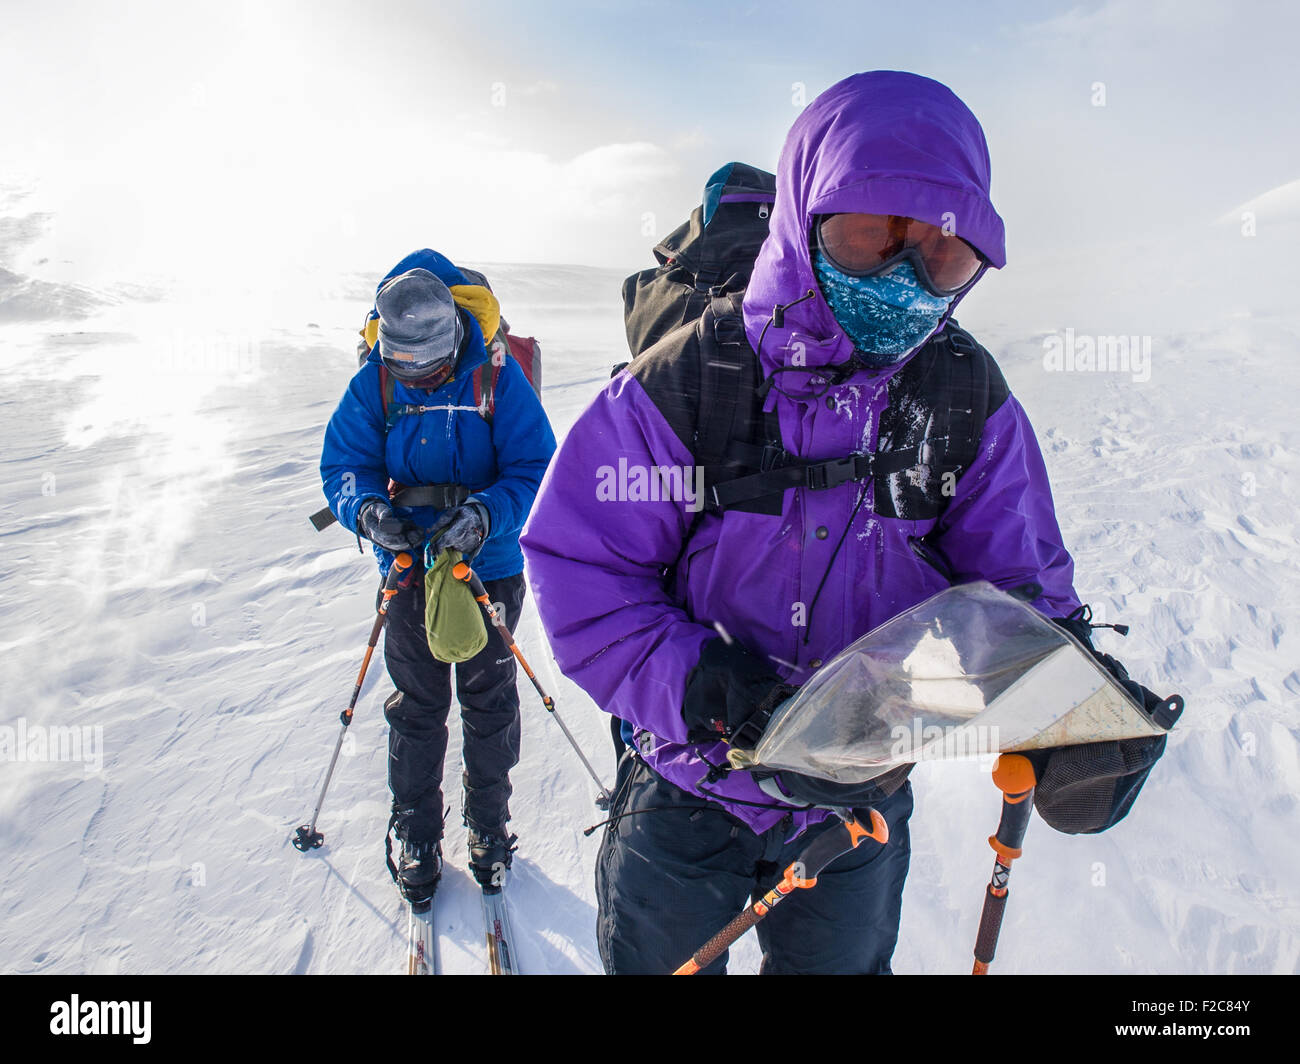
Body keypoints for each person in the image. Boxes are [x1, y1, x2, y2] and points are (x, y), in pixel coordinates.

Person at [519, 72, 1173, 974]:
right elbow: (585, 573)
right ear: (804, 219)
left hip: (858, 802)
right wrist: (712, 692)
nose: (905, 279)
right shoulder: (680, 388)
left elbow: (1019, 597)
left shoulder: (963, 399)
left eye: (942, 256)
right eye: (871, 237)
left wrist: (1067, 707)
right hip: (685, 787)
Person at [320, 249, 556, 905]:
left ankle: (489, 829)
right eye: (406, 368)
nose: (422, 378)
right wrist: (365, 511)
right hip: (407, 567)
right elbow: (344, 466)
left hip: (490, 565)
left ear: (454, 336)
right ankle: (416, 836)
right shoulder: (374, 383)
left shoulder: (497, 377)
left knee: (488, 701)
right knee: (417, 707)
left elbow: (536, 466)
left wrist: (487, 514)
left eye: (432, 367)